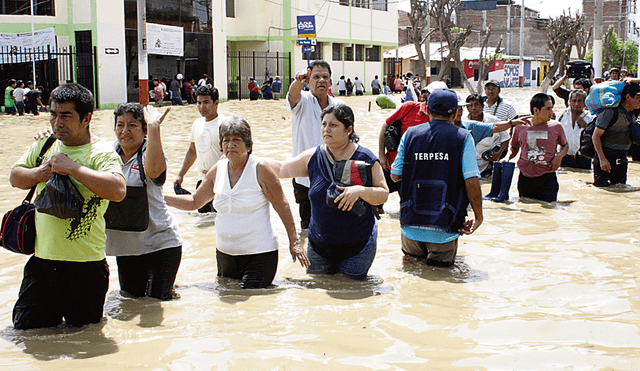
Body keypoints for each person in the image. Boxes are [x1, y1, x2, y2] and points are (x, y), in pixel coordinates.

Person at [10, 83, 126, 329]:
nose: (57, 122)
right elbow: (15, 177)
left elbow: (118, 190)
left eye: (66, 115)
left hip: (85, 267)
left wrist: (73, 168)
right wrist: (40, 173)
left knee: (85, 337)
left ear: (87, 119)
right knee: (29, 336)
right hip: (41, 263)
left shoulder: (101, 153)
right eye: (53, 114)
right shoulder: (44, 145)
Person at [166, 115, 309, 288]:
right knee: (227, 307)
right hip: (225, 255)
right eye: (226, 141)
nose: (230, 145)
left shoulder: (260, 169)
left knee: (251, 306)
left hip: (259, 255)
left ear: (249, 146)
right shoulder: (217, 169)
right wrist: (160, 198)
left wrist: (294, 243)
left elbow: (282, 205)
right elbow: (194, 201)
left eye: (236, 140)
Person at [268, 105, 388, 280]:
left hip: (358, 247)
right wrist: (245, 157)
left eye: (333, 125)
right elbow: (280, 169)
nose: (326, 129)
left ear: (349, 129)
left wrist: (360, 191)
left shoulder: (366, 158)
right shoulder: (313, 157)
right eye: (324, 124)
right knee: (318, 294)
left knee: (352, 293)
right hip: (319, 247)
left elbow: (383, 194)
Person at [389, 88, 483, 267]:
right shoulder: (463, 137)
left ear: (427, 110)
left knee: (412, 279)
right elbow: (471, 181)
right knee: (442, 282)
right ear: (455, 113)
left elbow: (394, 176)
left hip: (411, 226)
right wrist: (479, 217)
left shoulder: (409, 134)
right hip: (444, 228)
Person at [105, 104, 182, 301]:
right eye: (120, 125)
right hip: (126, 248)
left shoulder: (152, 150)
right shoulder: (106, 156)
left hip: (161, 244)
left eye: (132, 125)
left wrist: (155, 126)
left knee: (155, 304)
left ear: (144, 129)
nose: (125, 131)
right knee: (130, 302)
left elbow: (155, 173)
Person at [287, 60, 345, 229]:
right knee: (307, 227)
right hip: (305, 179)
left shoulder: (340, 106)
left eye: (325, 77)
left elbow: (350, 139)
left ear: (330, 82)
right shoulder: (302, 102)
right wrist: (298, 81)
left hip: (334, 178)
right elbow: (293, 94)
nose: (321, 80)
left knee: (334, 226)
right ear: (308, 81)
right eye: (316, 77)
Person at [507, 93, 568, 202]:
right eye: (548, 109)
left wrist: (558, 157)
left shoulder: (556, 126)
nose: (551, 112)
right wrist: (507, 158)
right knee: (527, 211)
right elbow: (514, 147)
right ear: (536, 111)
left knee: (548, 211)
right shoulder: (520, 126)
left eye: (552, 108)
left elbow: (565, 145)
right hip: (525, 178)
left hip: (547, 177)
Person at [174, 85, 226, 213]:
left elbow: (231, 156)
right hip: (202, 182)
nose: (202, 107)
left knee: (219, 221)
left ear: (216, 103)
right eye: (199, 103)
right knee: (204, 222)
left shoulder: (225, 124)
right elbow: (192, 151)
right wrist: (181, 175)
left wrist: (214, 171)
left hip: (222, 183)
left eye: (206, 102)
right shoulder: (197, 124)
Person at [592, 83, 640, 187]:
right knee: (603, 192)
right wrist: (602, 159)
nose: (639, 101)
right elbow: (596, 136)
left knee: (620, 190)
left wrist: (634, 80)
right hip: (605, 160)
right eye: (637, 98)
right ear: (628, 97)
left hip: (621, 160)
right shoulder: (611, 112)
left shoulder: (635, 112)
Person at [465, 94, 505, 177]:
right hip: (470, 164)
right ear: (467, 108)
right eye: (470, 106)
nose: (473, 108)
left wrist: (499, 153)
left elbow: (506, 138)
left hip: (488, 163)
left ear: (482, 106)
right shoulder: (463, 122)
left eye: (476, 105)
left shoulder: (493, 121)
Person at [558, 89, 593, 169]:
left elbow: (595, 137)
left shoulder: (590, 117)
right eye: (574, 101)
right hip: (564, 158)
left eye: (580, 101)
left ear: (585, 102)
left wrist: (585, 125)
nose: (576, 104)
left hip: (584, 159)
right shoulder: (561, 115)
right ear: (569, 101)